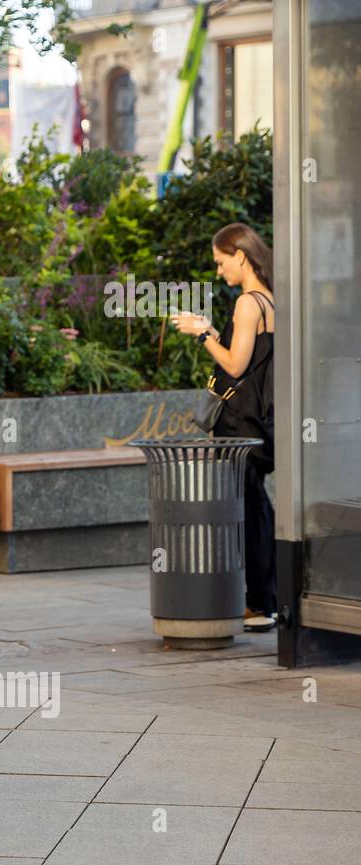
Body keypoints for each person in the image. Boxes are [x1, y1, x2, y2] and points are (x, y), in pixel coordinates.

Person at [171, 222, 276, 632]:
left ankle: (260, 603)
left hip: (241, 426)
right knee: (258, 507)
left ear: (240, 256)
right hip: (262, 421)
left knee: (250, 512)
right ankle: (268, 598)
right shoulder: (269, 300)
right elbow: (249, 359)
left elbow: (233, 365)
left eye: (220, 263)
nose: (219, 272)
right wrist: (213, 331)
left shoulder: (248, 303)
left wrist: (201, 337)